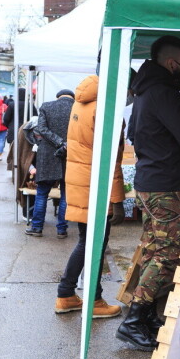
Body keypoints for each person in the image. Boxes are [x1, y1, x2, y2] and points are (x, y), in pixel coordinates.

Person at [116, 35, 180, 351]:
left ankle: (146, 315)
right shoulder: (164, 93)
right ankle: (134, 320)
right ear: (172, 63)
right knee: (167, 253)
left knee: (156, 249)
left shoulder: (143, 93)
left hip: (151, 181)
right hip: (165, 185)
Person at [55, 75, 124, 318]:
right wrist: (117, 199)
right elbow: (111, 157)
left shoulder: (82, 101)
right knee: (93, 244)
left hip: (80, 179)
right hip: (95, 183)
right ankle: (92, 300)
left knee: (87, 241)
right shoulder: (105, 110)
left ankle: (66, 295)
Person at [24, 89, 74, 238]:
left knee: (42, 193)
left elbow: (41, 129)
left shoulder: (46, 106)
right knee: (66, 195)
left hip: (47, 154)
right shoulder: (77, 108)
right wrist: (65, 144)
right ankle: (61, 229)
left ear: (58, 97)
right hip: (70, 154)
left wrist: (58, 142)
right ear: (72, 98)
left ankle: (37, 227)